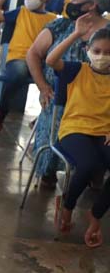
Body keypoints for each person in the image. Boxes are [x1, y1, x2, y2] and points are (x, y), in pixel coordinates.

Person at [27, 0, 110, 186]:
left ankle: (90, 173)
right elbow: (34, 54)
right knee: (56, 115)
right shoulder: (61, 25)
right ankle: (49, 172)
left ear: (92, 4)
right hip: (57, 95)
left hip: (97, 101)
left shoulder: (108, 31)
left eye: (74, 0)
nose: (69, 4)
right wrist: (43, 87)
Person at [47, 25, 110, 246]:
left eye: (108, 52)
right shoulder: (77, 69)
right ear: (87, 50)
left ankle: (96, 215)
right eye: (97, 51)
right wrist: (75, 34)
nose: (102, 56)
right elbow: (51, 60)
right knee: (88, 165)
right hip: (74, 129)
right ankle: (67, 205)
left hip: (103, 132)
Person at [0, 0, 57, 133]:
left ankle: (42, 119)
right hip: (18, 58)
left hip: (42, 61)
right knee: (19, 72)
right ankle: (0, 113)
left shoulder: (52, 19)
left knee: (58, 78)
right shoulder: (21, 12)